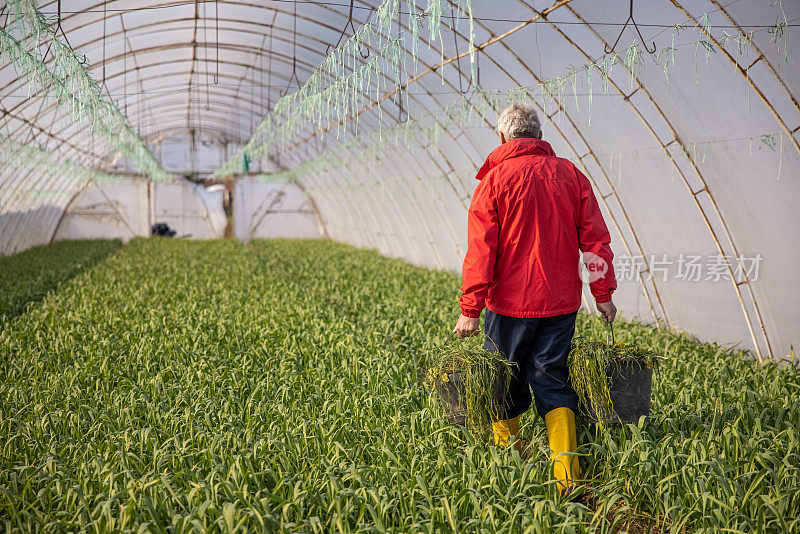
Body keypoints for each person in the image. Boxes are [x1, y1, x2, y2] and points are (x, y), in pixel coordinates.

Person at [452, 101, 617, 495]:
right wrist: (602, 292)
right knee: (553, 382)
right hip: (559, 306)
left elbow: (481, 251)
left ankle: (510, 477)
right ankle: (567, 481)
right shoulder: (571, 176)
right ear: (539, 136)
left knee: (502, 382)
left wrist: (470, 309)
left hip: (507, 306)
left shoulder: (494, 182)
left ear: (503, 137)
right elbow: (595, 240)